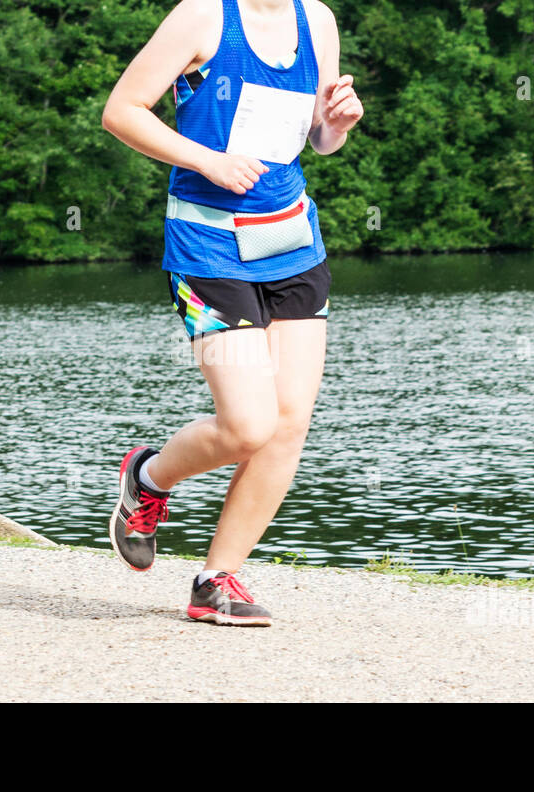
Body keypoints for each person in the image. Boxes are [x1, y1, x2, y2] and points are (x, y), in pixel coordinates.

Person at [101, 0, 363, 625]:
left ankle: (216, 580)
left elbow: (319, 140)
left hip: (291, 243)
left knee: (289, 423)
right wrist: (205, 159)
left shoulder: (316, 20)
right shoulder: (203, 16)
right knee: (248, 424)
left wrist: (340, 123)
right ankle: (149, 477)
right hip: (208, 249)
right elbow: (120, 112)